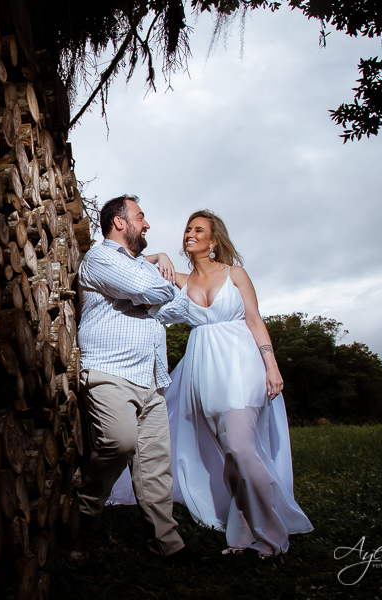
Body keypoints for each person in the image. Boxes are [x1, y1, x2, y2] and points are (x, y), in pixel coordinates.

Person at [111, 209, 313, 555]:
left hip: (241, 364)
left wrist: (272, 366)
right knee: (230, 458)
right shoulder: (183, 281)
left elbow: (255, 320)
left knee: (240, 449)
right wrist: (158, 255)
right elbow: (140, 268)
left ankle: (274, 538)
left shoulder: (236, 274)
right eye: (188, 229)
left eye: (198, 230)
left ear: (214, 241)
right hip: (204, 370)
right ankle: (242, 536)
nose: (190, 234)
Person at [76, 195, 205, 564]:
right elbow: (154, 292)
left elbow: (179, 309)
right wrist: (155, 278)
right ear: (120, 222)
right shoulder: (99, 258)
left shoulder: (139, 266)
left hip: (151, 374)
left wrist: (156, 275)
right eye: (140, 217)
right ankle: (85, 510)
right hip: (110, 370)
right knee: (119, 443)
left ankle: (168, 546)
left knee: (155, 464)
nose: (146, 224)